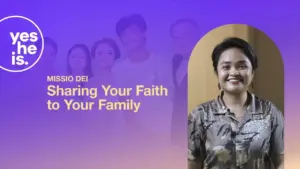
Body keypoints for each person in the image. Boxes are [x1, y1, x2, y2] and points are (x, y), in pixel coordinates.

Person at [188, 37, 284, 169]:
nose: (234, 72)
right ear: (217, 72)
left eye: (242, 66)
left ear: (252, 72)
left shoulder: (270, 113)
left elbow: (282, 161)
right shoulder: (200, 115)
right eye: (226, 67)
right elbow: (192, 164)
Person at [113, 14, 173, 142]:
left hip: (162, 131)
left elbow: (172, 96)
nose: (129, 37)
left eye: (133, 32)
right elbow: (123, 102)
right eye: (124, 34)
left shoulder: (163, 63)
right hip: (132, 134)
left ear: (143, 33)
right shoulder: (118, 69)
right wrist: (135, 130)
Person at [170, 18, 199, 146]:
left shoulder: (208, 63)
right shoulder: (174, 62)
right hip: (176, 129)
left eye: (187, 36)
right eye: (177, 38)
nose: (181, 42)